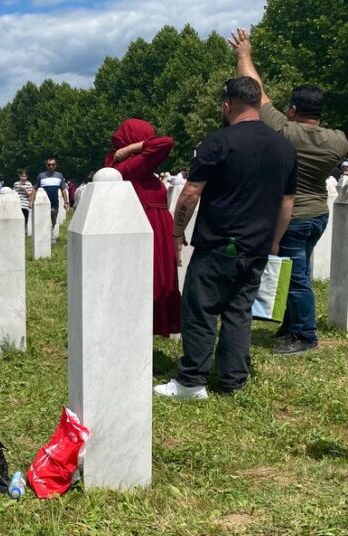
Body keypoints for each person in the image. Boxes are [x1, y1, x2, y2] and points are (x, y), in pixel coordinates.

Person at [155, 76, 297, 400]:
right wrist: (275, 241)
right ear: (259, 103)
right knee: (239, 311)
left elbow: (191, 192)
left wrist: (177, 232)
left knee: (200, 309)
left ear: (227, 105)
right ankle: (232, 380)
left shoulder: (217, 142)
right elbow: (287, 202)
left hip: (219, 243)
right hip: (258, 244)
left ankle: (192, 381)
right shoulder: (284, 147)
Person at [229, 28, 348, 354]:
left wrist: (244, 54)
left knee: (297, 280)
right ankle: (292, 325)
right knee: (299, 269)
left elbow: (256, 90)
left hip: (292, 217)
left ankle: (306, 336)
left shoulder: (285, 131)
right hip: (318, 214)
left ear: (293, 110)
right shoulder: (338, 140)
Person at [105, 118, 181, 337]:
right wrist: (133, 148)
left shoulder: (134, 165)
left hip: (158, 226)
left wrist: (130, 148)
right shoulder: (128, 166)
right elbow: (165, 142)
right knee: (152, 280)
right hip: (148, 225)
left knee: (161, 279)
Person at [35, 158, 69, 230]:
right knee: (44, 222)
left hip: (54, 204)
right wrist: (31, 201)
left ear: (56, 165)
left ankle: (52, 233)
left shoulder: (59, 175)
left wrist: (66, 202)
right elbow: (35, 188)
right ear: (46, 165)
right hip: (43, 203)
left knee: (53, 220)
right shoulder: (41, 176)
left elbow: (63, 189)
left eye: (53, 164)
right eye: (49, 165)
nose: (51, 166)